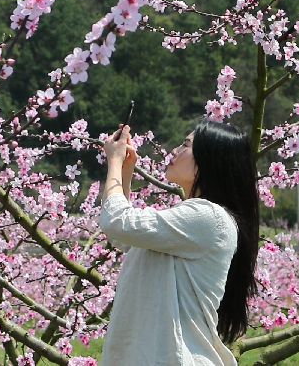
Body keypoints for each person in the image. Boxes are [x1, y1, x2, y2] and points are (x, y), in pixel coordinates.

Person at [98, 120, 259, 366]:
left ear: (210, 159)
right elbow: (125, 236)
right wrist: (124, 172)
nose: (173, 151)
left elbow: (117, 222)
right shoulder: (192, 220)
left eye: (185, 145)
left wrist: (115, 161)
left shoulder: (209, 217)